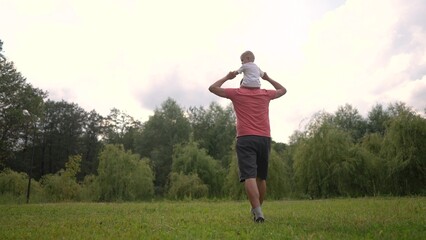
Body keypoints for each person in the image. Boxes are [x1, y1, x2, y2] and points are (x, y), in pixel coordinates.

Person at [208, 70, 287, 223]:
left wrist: (227, 77)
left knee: (249, 176)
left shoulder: (237, 93)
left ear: (242, 84)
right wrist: (268, 77)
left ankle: (258, 212)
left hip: (245, 138)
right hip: (264, 138)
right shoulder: (265, 93)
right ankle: (257, 210)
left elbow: (213, 88)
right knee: (261, 177)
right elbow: (283, 90)